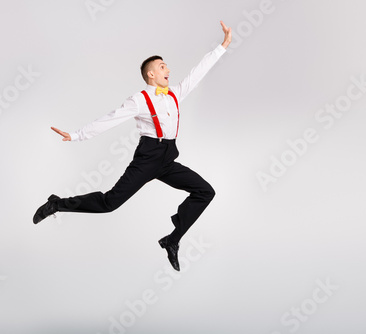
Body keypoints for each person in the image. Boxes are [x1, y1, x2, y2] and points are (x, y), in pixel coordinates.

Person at [34, 21, 232, 271]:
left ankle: (172, 240)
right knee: (109, 203)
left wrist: (222, 46)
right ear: (151, 74)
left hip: (167, 159)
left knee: (205, 191)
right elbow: (111, 118)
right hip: (148, 158)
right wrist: (76, 135)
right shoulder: (140, 100)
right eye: (162, 66)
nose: (168, 69)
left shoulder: (174, 93)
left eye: (167, 66)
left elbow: (197, 73)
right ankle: (57, 203)